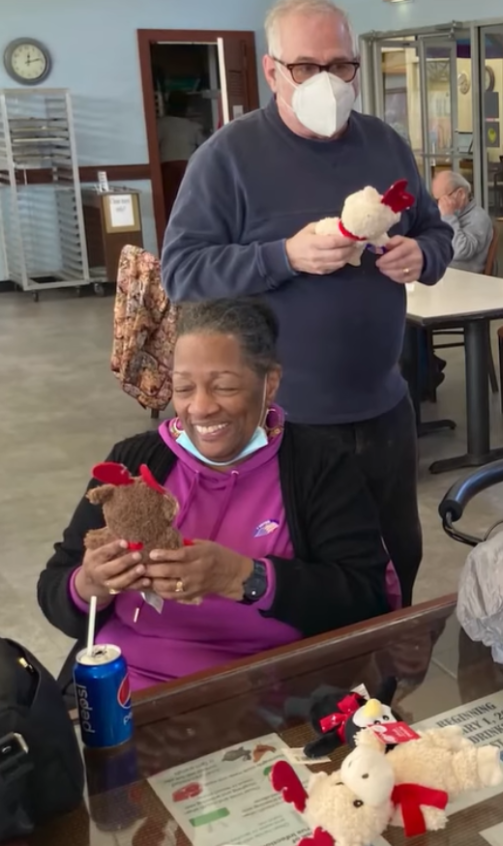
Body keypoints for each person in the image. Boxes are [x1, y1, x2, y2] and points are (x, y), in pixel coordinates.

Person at [160, 0, 454, 607]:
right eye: (306, 67)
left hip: (383, 408)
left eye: (342, 65)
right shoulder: (227, 157)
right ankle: (320, 699)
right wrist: (282, 258)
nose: (327, 81)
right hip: (282, 425)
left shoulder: (384, 143)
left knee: (398, 555)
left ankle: (385, 690)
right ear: (272, 73)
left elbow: (435, 231)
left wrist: (422, 256)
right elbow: (182, 272)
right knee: (307, 578)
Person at [38, 298, 394, 692]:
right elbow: (55, 587)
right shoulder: (133, 462)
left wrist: (243, 577)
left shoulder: (318, 466)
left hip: (267, 696)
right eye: (183, 388)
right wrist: (89, 584)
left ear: (269, 384)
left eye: (224, 386)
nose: (200, 407)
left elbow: (368, 600)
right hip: (122, 691)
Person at [431, 171, 494, 274]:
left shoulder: (478, 217)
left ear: (461, 194)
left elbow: (461, 252)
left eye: (442, 199)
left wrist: (448, 217)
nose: (438, 205)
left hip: (464, 281)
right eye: (435, 200)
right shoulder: (446, 214)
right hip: (441, 277)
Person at [157, 91, 206, 221]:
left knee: (169, 202)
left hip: (167, 167)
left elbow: (153, 146)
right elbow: (204, 146)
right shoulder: (193, 126)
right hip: (188, 167)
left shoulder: (160, 124)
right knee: (188, 201)